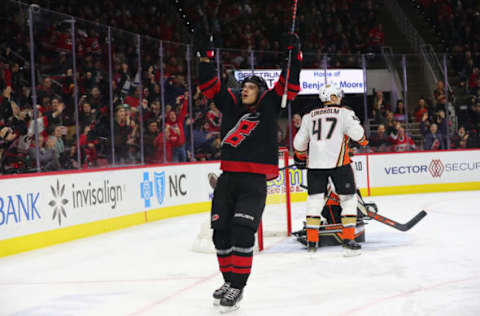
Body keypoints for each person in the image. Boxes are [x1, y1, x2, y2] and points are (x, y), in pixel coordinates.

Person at [197, 32, 302, 312]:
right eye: (243, 86)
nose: (245, 89)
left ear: (262, 92)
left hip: (254, 182)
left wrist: (294, 54)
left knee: (243, 232)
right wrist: (205, 57)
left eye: (251, 87)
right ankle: (229, 281)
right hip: (227, 178)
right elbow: (208, 85)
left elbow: (289, 84)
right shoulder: (230, 103)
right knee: (220, 233)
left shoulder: (270, 105)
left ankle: (238, 287)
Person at [293, 83, 368, 256]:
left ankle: (312, 242)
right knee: (348, 200)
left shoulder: (308, 116)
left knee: (315, 201)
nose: (340, 98)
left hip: (315, 167)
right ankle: (348, 241)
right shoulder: (345, 113)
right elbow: (359, 136)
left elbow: (298, 144)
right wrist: (363, 141)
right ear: (333, 97)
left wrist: (302, 157)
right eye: (338, 95)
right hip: (339, 165)